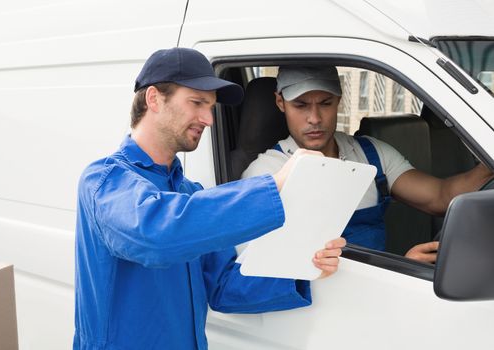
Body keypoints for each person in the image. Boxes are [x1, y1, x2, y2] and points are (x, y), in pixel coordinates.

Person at [73, 48, 346, 350]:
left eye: (211, 107)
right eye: (197, 103)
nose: (208, 119)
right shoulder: (105, 180)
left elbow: (223, 286)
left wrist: (305, 271)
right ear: (154, 99)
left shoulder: (190, 193)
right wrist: (275, 185)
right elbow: (158, 234)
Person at [242, 65, 493, 264]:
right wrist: (400, 269)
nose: (315, 118)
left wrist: (488, 165)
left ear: (339, 99)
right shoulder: (265, 174)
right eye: (301, 105)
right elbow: (261, 271)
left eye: (325, 103)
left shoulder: (371, 153)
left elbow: (440, 196)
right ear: (280, 103)